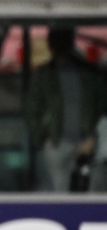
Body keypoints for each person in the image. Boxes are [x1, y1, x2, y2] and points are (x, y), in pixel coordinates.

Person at [25, 28, 103, 191]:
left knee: (93, 190)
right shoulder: (44, 74)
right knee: (60, 191)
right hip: (56, 143)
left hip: (87, 142)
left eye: (63, 41)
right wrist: (43, 138)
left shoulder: (88, 73)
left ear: (70, 42)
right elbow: (32, 109)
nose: (60, 45)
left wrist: (93, 137)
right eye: (56, 41)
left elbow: (101, 107)